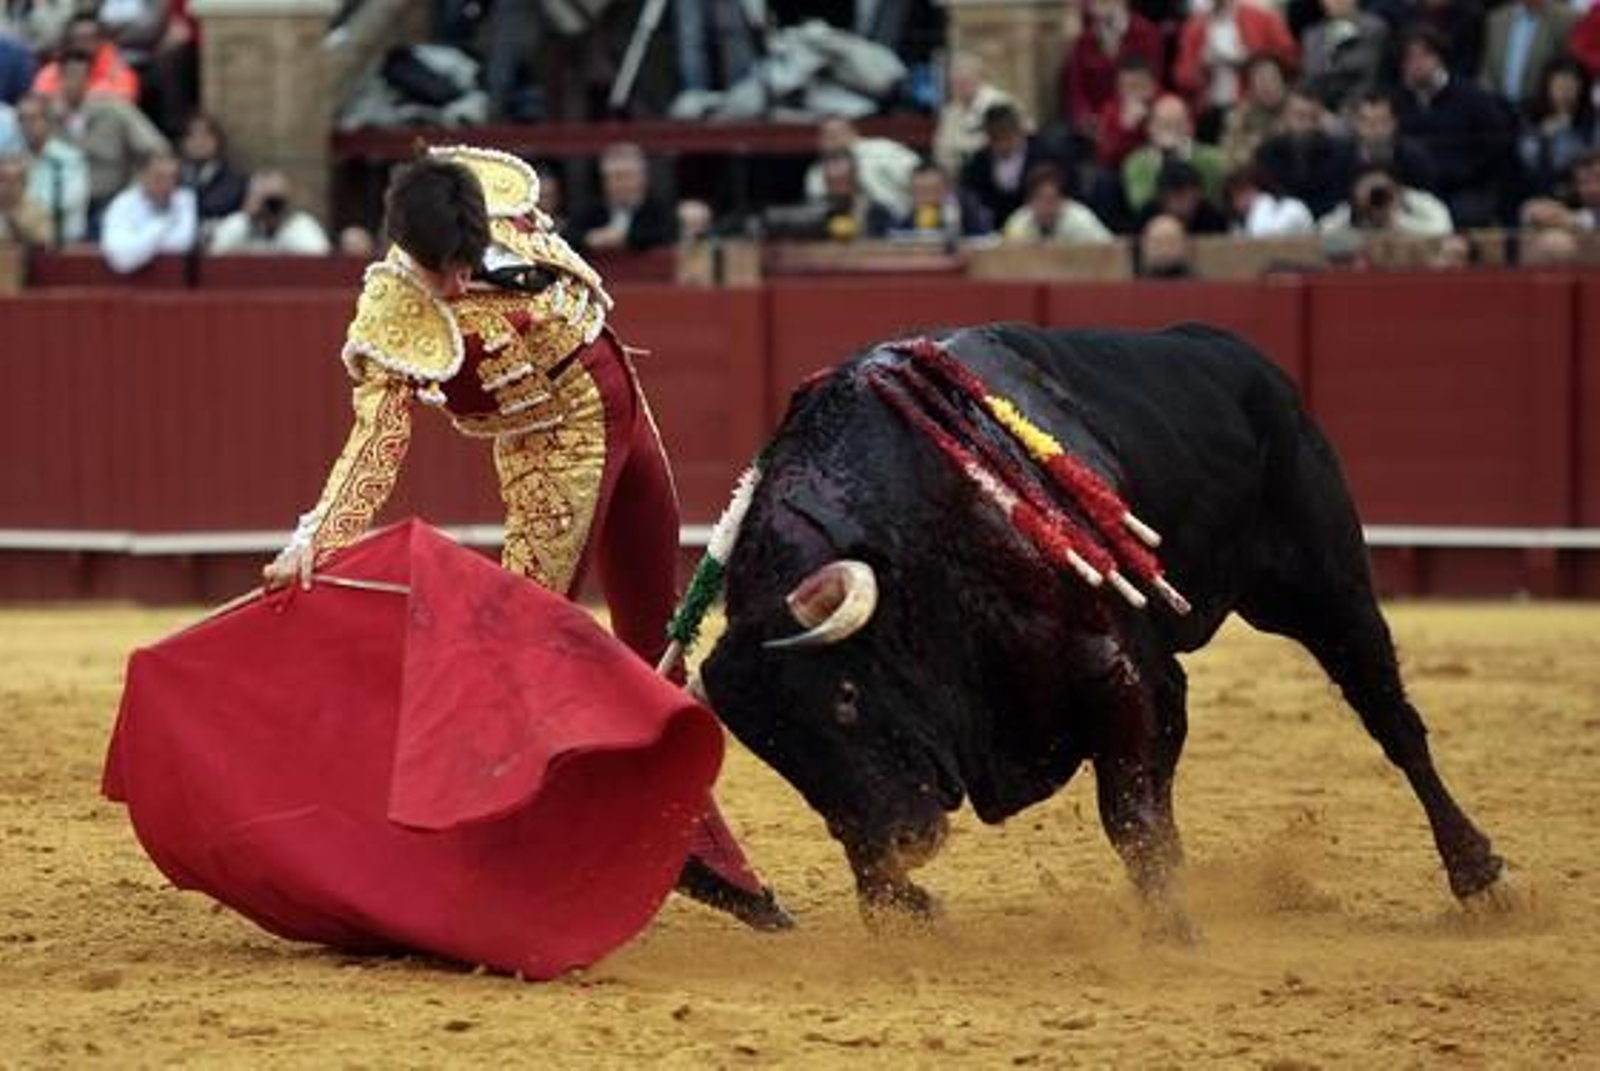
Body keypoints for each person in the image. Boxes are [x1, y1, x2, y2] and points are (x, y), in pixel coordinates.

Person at [261, 145, 791, 931]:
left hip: (628, 420)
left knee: (660, 646)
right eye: (447, 270)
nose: (461, 282)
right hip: (555, 457)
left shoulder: (493, 200)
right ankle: (471, 859)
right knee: (516, 666)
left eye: (467, 261)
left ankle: (694, 847)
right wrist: (315, 539)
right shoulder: (394, 312)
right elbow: (377, 441)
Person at [99, 149, 195, 272]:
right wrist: (163, 224)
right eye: (159, 177)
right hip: (131, 287)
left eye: (173, 177)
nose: (168, 183)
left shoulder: (185, 199)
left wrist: (141, 243)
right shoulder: (122, 204)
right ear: (141, 176)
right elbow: (122, 259)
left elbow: (183, 243)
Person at [208, 170, 331, 255]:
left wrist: (279, 224)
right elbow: (214, 260)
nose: (270, 207)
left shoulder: (301, 225)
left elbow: (319, 263)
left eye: (275, 201)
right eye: (264, 199)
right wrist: (252, 220)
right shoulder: (237, 223)